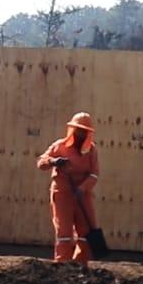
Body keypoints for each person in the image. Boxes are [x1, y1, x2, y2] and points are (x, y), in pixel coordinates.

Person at [36, 112, 100, 266]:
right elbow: (40, 162)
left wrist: (82, 188)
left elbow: (94, 174)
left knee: (86, 233)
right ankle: (62, 267)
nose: (80, 133)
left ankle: (79, 266)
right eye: (78, 130)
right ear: (72, 130)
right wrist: (53, 161)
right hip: (62, 194)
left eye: (84, 131)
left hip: (83, 196)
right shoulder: (60, 146)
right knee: (64, 234)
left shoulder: (91, 150)